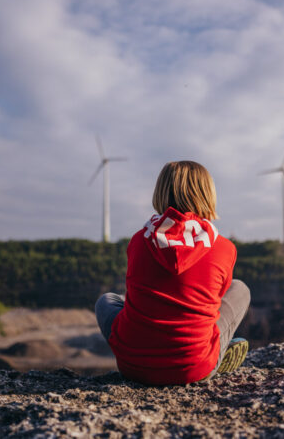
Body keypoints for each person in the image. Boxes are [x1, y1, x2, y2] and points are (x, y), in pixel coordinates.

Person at [95, 160, 251, 385]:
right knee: (240, 289)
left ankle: (159, 349)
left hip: (132, 367)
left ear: (160, 191)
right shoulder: (224, 247)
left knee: (107, 300)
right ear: (207, 194)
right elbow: (216, 300)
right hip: (193, 368)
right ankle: (216, 353)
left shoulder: (139, 240)